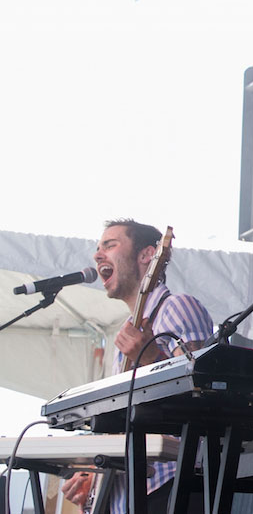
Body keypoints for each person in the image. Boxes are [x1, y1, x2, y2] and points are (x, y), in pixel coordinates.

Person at [61, 219, 214, 514]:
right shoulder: (125, 334)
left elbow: (206, 392)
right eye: (97, 248)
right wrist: (95, 472)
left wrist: (152, 358)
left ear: (147, 255)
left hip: (171, 488)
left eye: (110, 244)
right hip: (128, 496)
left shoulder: (176, 307)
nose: (97, 255)